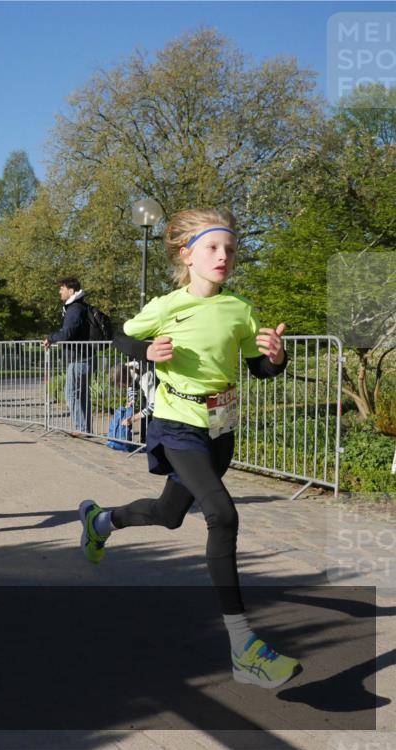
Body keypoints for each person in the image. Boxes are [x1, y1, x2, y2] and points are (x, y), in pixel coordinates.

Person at [78, 208, 299, 689]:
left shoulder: (239, 309)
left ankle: (99, 521)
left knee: (169, 513)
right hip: (177, 424)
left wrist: (277, 359)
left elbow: (258, 367)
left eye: (230, 249)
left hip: (220, 429)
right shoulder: (166, 305)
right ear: (186, 254)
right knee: (223, 515)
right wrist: (147, 352)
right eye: (213, 248)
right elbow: (121, 337)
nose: (224, 257)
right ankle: (244, 647)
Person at [43, 277, 92, 433]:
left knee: (71, 394)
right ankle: (85, 429)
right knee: (81, 395)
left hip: (78, 358)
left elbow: (67, 333)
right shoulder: (80, 307)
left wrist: (50, 338)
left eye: (62, 288)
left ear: (71, 291)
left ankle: (81, 428)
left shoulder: (74, 309)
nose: (59, 291)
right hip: (86, 357)